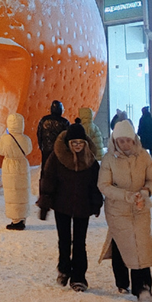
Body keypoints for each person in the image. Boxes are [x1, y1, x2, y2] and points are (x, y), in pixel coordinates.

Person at [97, 119, 152, 300]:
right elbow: (104, 185)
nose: (125, 144)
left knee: (141, 244)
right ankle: (122, 282)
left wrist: (146, 191)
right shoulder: (109, 159)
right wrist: (125, 195)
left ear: (134, 139)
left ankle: (143, 286)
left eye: (128, 140)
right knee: (121, 244)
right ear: (115, 141)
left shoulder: (144, 156)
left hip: (140, 208)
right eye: (121, 141)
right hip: (117, 210)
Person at [39, 120, 103, 291]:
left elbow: (96, 184)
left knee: (80, 242)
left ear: (85, 143)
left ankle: (79, 276)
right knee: (64, 240)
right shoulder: (57, 157)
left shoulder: (90, 160)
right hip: (62, 205)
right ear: (68, 143)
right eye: (74, 143)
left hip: (83, 205)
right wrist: (45, 202)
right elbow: (48, 180)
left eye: (80, 143)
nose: (77, 146)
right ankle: (64, 269)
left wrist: (96, 203)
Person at [0, 112, 33, 229]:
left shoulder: (5, 139)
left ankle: (16, 220)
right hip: (22, 164)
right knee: (22, 192)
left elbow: (0, 151)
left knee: (12, 192)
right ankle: (22, 218)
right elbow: (29, 150)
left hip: (9, 165)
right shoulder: (26, 139)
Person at [36, 100, 69, 188]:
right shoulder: (64, 122)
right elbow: (67, 137)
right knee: (59, 172)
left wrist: (41, 146)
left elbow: (39, 134)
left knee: (45, 171)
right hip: (59, 151)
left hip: (46, 149)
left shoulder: (43, 120)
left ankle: (43, 191)